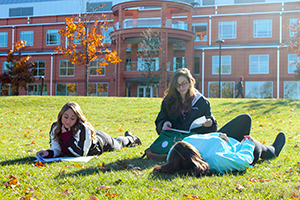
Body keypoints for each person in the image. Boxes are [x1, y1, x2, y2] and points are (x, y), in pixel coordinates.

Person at [37, 102, 141, 158]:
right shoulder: (56, 127)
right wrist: (48, 153)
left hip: (100, 142)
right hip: (91, 138)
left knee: (118, 143)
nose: (68, 121)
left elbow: (81, 153)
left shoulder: (83, 128)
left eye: (72, 118)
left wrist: (67, 136)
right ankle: (129, 137)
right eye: (65, 116)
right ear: (60, 115)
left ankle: (131, 138)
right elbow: (57, 148)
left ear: (77, 119)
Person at [153, 132, 286, 175]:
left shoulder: (174, 153)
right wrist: (248, 144)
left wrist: (219, 135)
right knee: (261, 148)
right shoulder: (215, 160)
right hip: (238, 147)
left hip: (225, 139)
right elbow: (243, 160)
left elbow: (202, 137)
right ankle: (273, 150)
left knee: (245, 119)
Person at [155, 68, 217, 135]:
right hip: (173, 140)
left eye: (184, 83)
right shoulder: (169, 101)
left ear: (190, 82)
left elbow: (212, 126)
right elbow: (160, 120)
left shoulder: (201, 102)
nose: (181, 88)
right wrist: (164, 123)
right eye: (177, 85)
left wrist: (209, 124)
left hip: (195, 141)